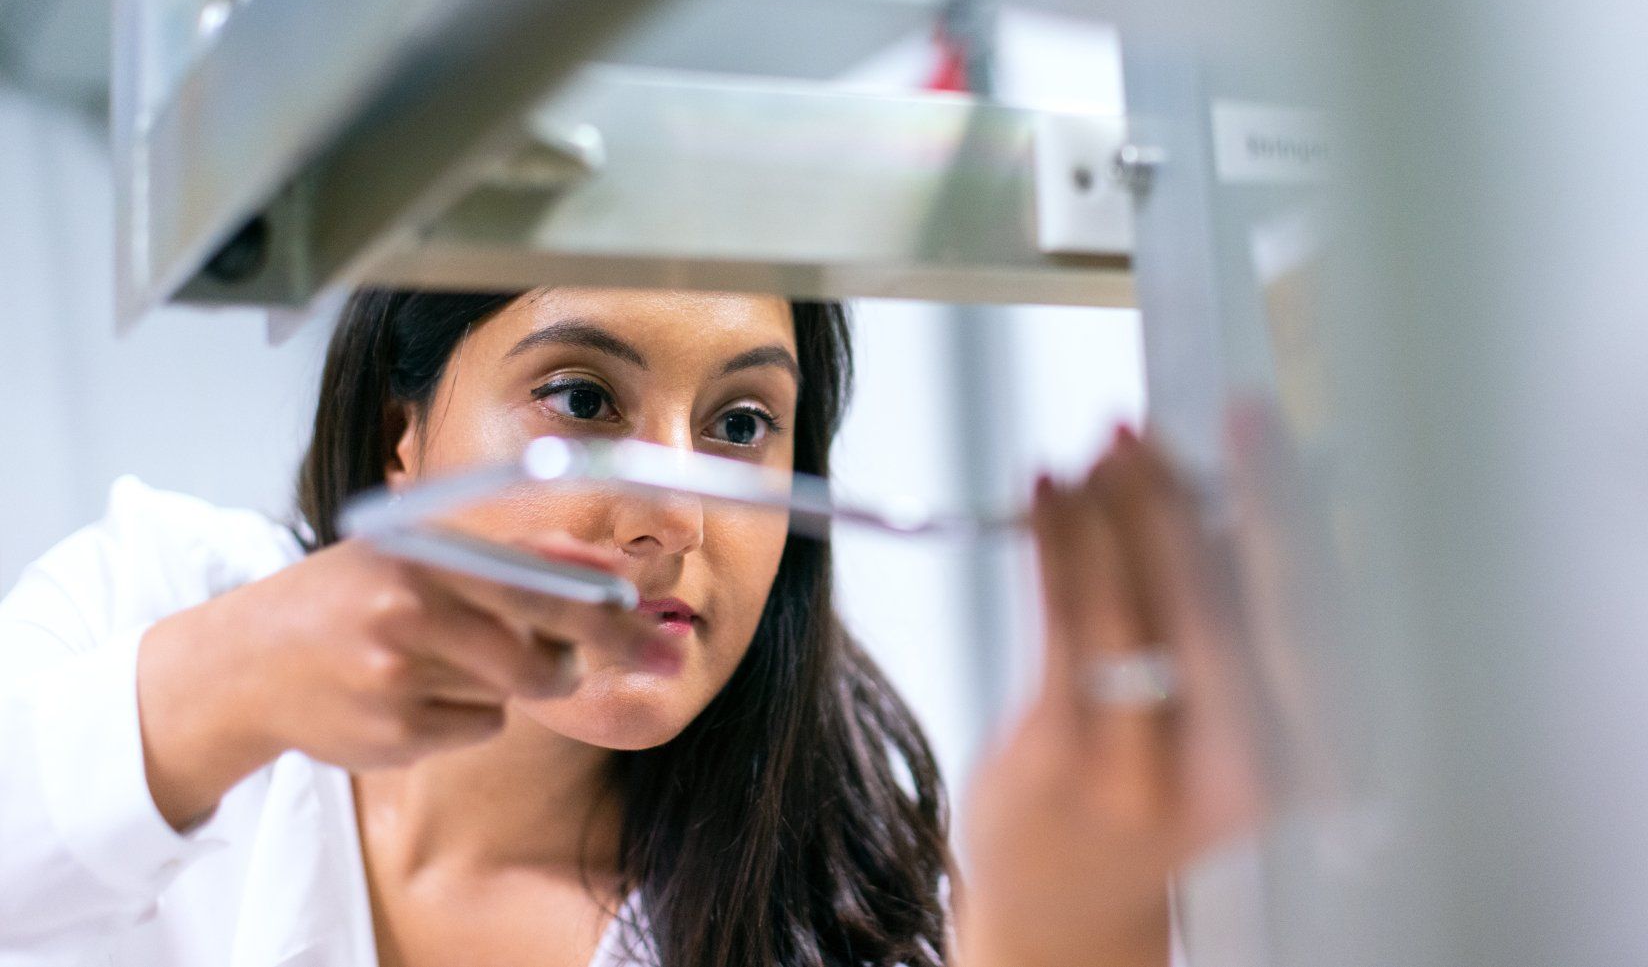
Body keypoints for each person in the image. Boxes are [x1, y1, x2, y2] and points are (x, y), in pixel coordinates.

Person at [0, 287, 1263, 967]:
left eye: (740, 426)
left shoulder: (849, 917)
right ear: (405, 435)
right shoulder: (160, 601)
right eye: (585, 397)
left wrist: (1071, 928)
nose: (673, 514)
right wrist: (223, 687)